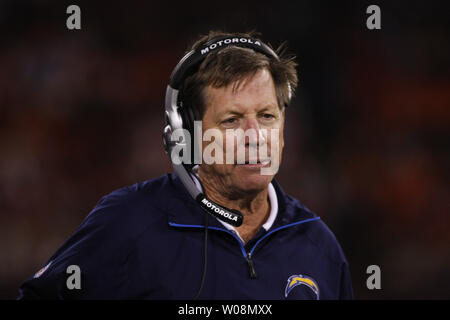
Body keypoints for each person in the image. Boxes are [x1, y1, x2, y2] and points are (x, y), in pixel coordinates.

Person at [18, 31, 353, 300]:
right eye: (232, 120)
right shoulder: (129, 222)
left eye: (267, 117)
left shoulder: (318, 244)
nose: (255, 136)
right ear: (189, 137)